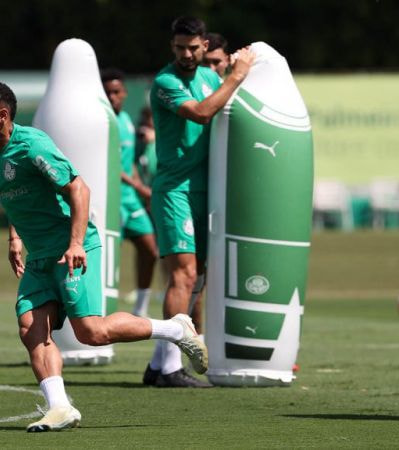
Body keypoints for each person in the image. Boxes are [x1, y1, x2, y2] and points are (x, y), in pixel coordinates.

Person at [0, 81, 207, 431]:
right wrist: (14, 238)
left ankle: (174, 327)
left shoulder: (33, 146)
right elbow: (12, 201)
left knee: (92, 333)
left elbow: (79, 188)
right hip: (38, 258)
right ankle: (60, 408)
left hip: (72, 249)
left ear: (2, 116)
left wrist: (76, 243)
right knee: (30, 329)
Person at [145, 17, 254, 387]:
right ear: (171, 46)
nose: (186, 54)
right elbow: (203, 113)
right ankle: (171, 366)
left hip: (207, 191)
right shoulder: (166, 82)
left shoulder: (210, 79)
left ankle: (159, 363)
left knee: (199, 279)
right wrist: (237, 76)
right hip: (175, 190)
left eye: (193, 48)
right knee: (184, 274)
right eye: (179, 48)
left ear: (205, 45)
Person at [100, 68, 158, 318]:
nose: (112, 97)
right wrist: (139, 186)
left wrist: (138, 186)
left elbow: (127, 163)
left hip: (130, 199)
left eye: (116, 92)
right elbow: (109, 164)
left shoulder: (126, 121)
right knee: (106, 259)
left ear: (124, 93)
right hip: (110, 200)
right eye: (107, 92)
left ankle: (140, 308)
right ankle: (98, 311)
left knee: (150, 250)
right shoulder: (101, 121)